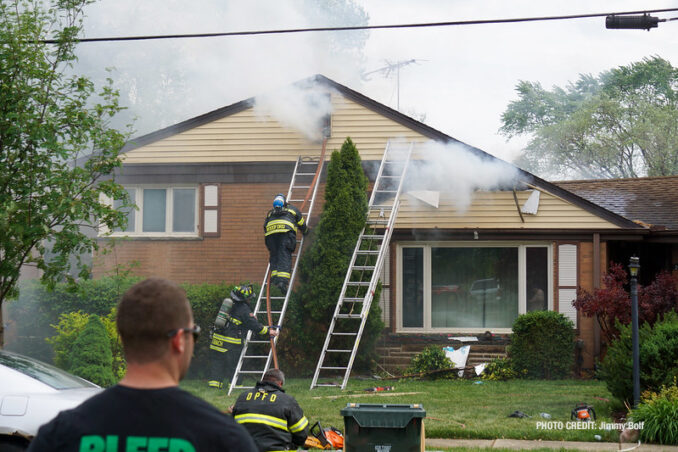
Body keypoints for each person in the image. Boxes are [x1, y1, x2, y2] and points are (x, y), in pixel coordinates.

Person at [28, 277, 257, 452]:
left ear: (123, 336)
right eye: (193, 334)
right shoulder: (225, 437)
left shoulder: (61, 434)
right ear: (179, 340)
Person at [208, 285, 278, 390]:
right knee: (235, 366)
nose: (250, 299)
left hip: (217, 340)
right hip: (231, 343)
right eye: (249, 298)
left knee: (218, 363)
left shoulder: (227, 304)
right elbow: (253, 325)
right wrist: (268, 331)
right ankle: (236, 385)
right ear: (245, 299)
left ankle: (215, 385)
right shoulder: (244, 309)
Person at [232, 368, 309, 452]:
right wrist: (292, 446)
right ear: (280, 383)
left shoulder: (243, 397)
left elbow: (231, 427)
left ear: (263, 380)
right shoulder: (286, 400)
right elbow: (301, 432)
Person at [263, 193, 308, 292]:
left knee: (274, 255)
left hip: (271, 236)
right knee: (284, 255)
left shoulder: (270, 213)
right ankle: (282, 282)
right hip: (285, 235)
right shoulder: (292, 209)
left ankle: (275, 277)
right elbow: (301, 223)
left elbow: (265, 226)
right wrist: (306, 232)